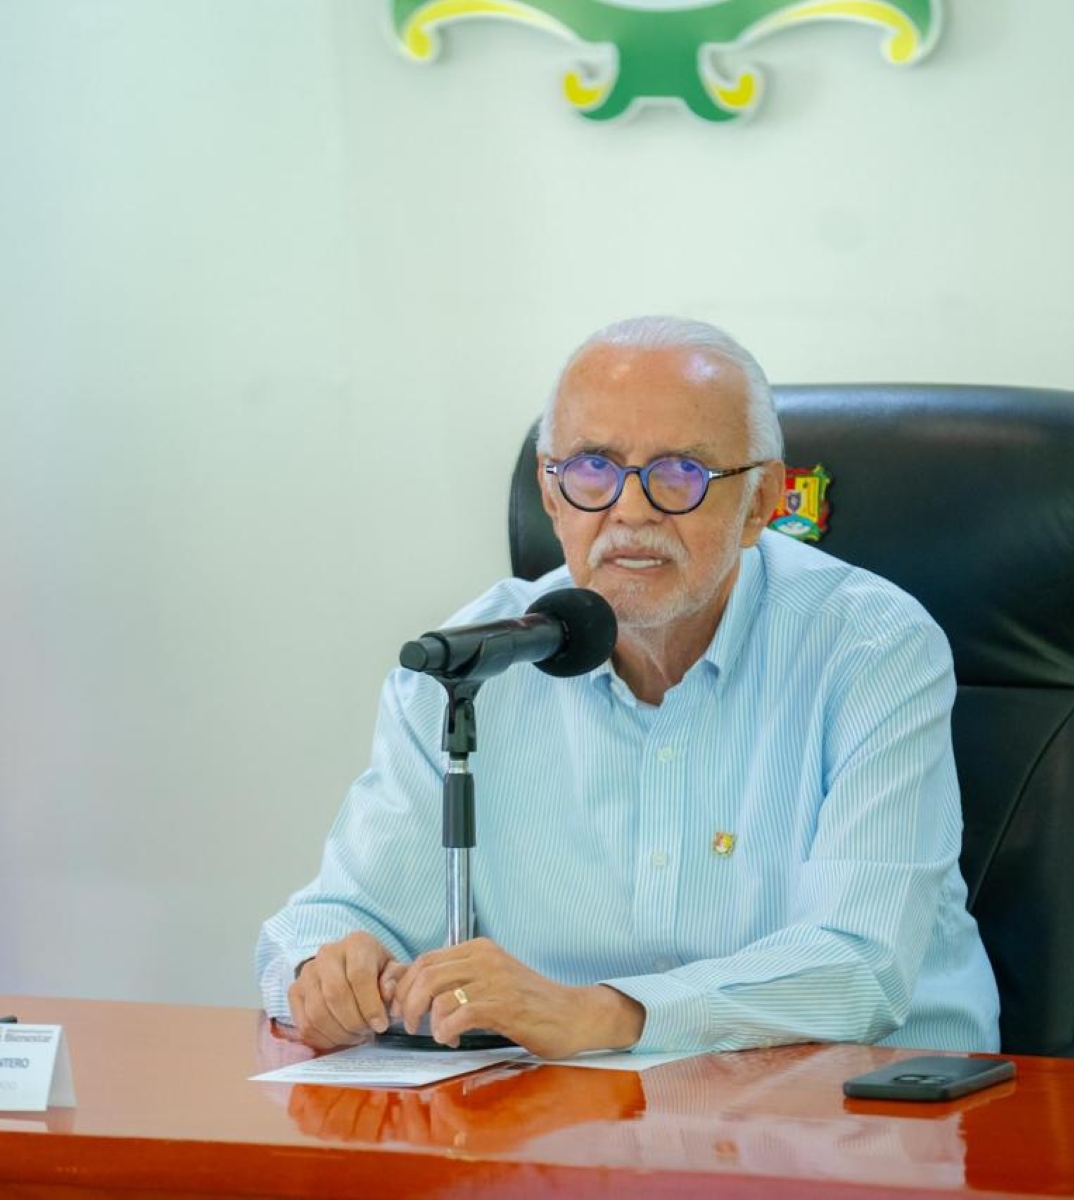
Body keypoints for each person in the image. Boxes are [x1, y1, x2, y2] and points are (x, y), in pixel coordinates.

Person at [256, 316, 999, 1058]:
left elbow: (859, 964)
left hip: (862, 1100)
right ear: (551, 495)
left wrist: (608, 1016)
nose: (631, 510)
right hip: (567, 1108)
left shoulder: (871, 648)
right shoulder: (470, 669)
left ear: (761, 502)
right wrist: (325, 971)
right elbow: (341, 915)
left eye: (681, 471)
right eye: (593, 467)